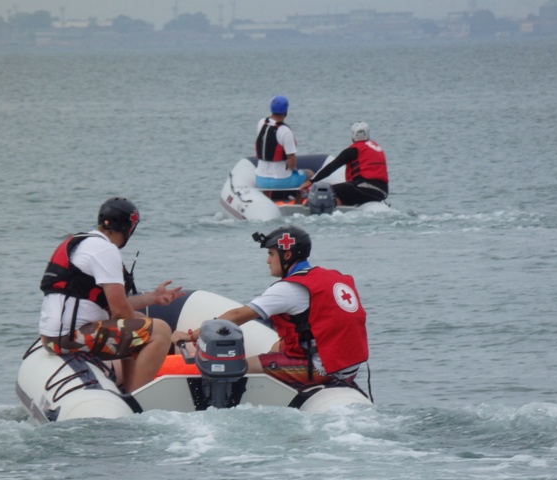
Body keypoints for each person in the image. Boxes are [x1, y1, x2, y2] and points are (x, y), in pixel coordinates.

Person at [172, 226, 368, 390]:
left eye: (271, 254)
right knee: (277, 347)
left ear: (287, 254)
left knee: (243, 366)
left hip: (322, 369)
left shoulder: (289, 289)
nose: (268, 260)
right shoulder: (331, 277)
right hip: (348, 367)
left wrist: (190, 336)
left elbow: (238, 315)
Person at [39, 197, 183, 393]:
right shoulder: (105, 250)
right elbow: (120, 311)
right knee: (159, 331)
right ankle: (137, 398)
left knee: (138, 323)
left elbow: (114, 306)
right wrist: (153, 333)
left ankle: (129, 388)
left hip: (51, 336)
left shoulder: (82, 242)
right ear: (129, 228)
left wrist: (153, 297)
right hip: (68, 338)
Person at [303, 121, 388, 206]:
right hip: (382, 192)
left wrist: (311, 181)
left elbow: (331, 167)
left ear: (353, 136)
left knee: (329, 190)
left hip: (364, 188)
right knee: (346, 190)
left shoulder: (352, 150)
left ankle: (336, 212)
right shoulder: (377, 148)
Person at [255, 95, 313, 198]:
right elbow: (291, 160)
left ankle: (268, 200)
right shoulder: (285, 131)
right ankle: (299, 202)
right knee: (309, 174)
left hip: (260, 180)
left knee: (271, 178)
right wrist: (294, 170)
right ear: (286, 111)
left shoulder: (261, 123)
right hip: (280, 181)